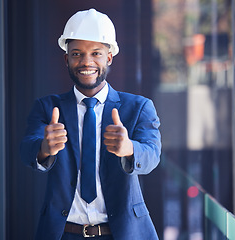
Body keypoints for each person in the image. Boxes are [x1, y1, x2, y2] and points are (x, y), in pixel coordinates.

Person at [20, 8, 161, 240]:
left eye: (96, 53)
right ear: (67, 59)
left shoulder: (138, 107)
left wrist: (129, 149)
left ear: (109, 57)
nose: (86, 62)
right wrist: (44, 149)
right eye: (76, 54)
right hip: (64, 234)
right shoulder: (47, 108)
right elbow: (27, 150)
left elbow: (152, 154)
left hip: (122, 234)